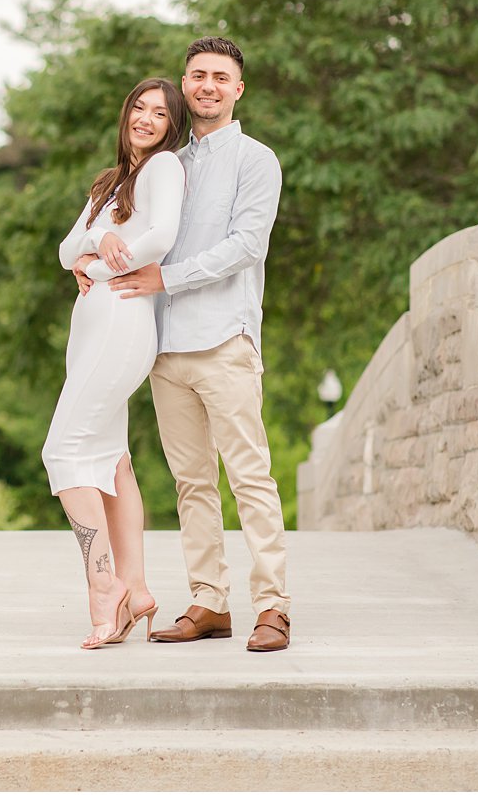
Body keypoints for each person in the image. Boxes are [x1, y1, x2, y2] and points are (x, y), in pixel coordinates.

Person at [105, 36, 292, 653]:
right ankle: (209, 601)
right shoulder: (167, 164)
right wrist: (89, 260)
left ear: (238, 89)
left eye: (219, 76)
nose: (206, 85)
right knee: (191, 482)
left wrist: (169, 277)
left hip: (223, 340)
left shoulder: (256, 160)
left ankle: (272, 606)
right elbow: (123, 228)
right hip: (165, 347)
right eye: (196, 76)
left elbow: (247, 246)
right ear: (184, 86)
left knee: (250, 477)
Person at [44, 77, 187, 649]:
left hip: (123, 322)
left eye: (160, 113)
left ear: (172, 126)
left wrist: (96, 265)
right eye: (140, 107)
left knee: (61, 451)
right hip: (94, 328)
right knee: (111, 460)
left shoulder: (163, 169)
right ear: (126, 111)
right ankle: (139, 587)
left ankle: (103, 587)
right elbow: (64, 251)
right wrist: (96, 236)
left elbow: (160, 239)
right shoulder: (113, 181)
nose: (147, 119)